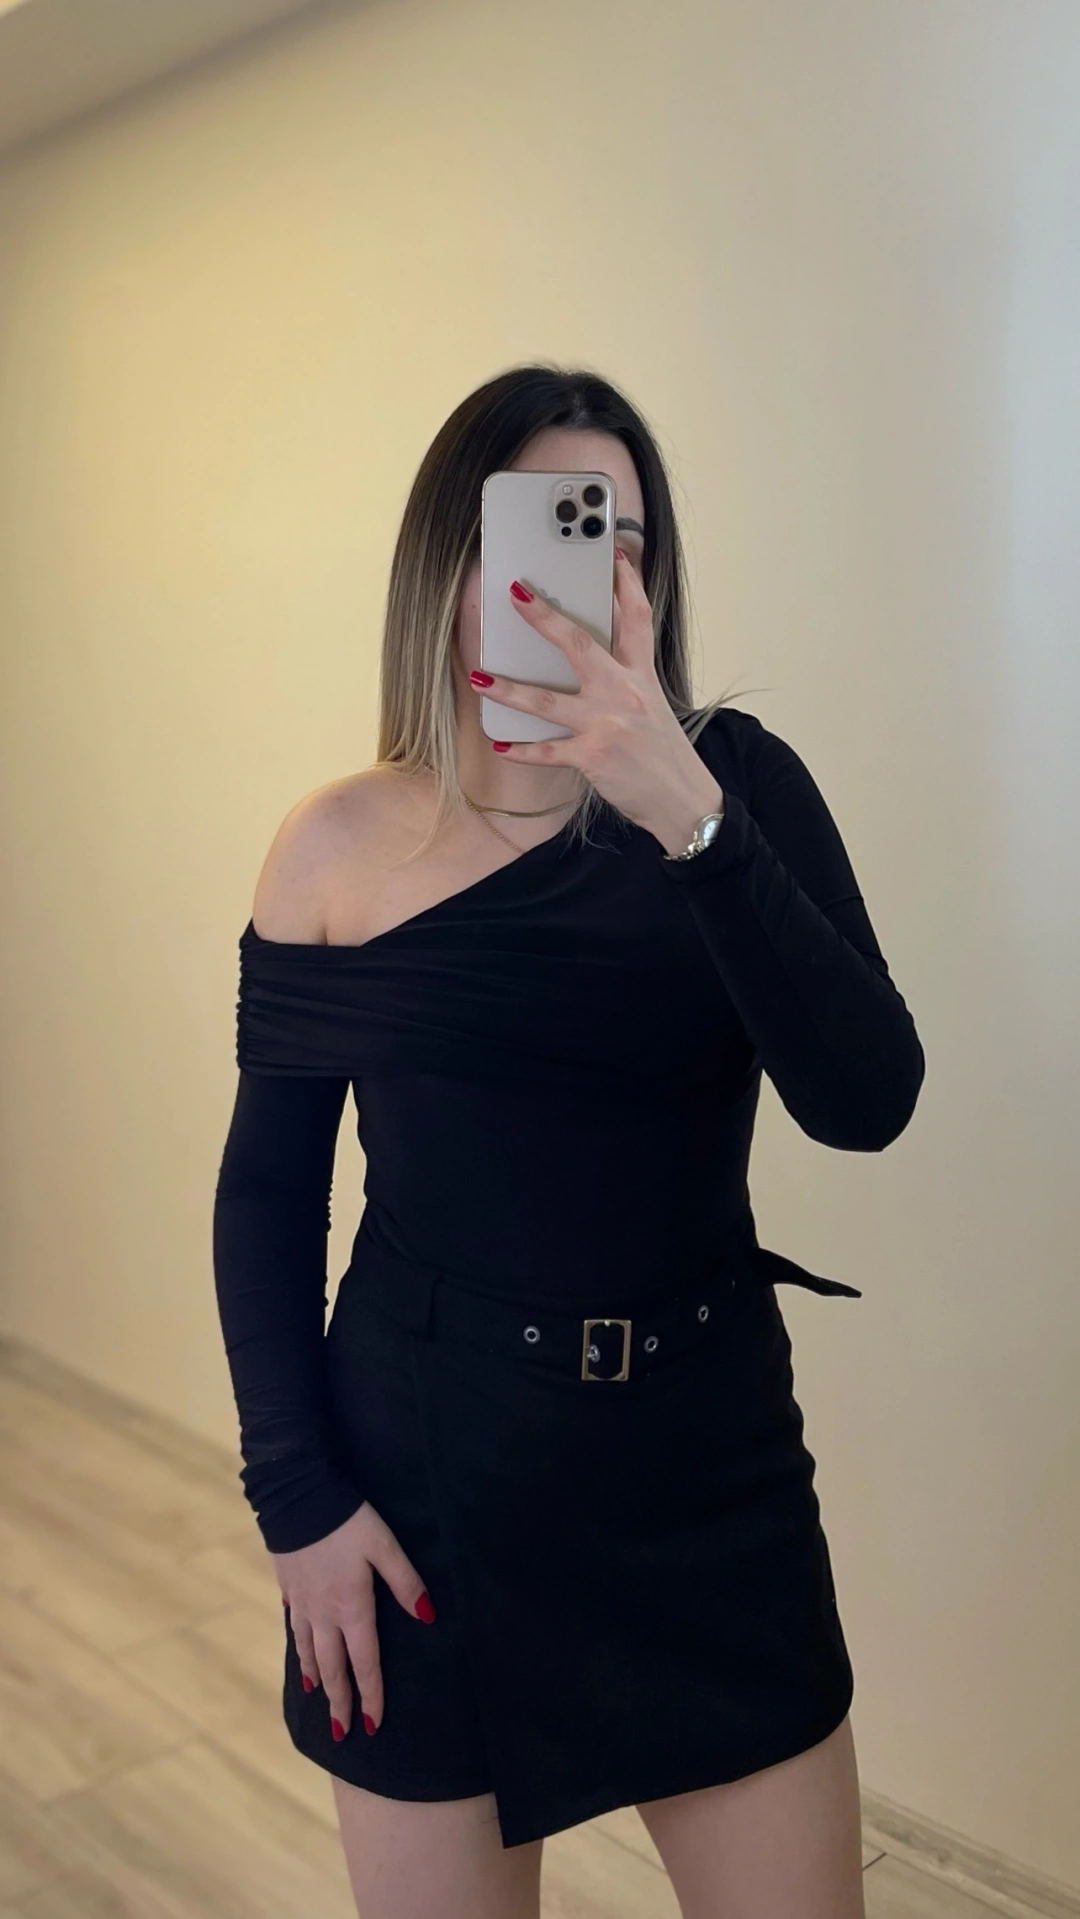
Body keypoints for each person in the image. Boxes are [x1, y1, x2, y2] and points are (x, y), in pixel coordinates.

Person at [212, 364, 924, 1919]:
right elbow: (267, 1197)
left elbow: (867, 1098)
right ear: (447, 564)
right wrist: (298, 1503)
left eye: (618, 540)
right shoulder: (335, 847)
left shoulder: (736, 786)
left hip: (708, 1478)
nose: (580, 580)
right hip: (428, 1492)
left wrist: (687, 813)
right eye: (535, 529)